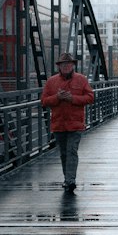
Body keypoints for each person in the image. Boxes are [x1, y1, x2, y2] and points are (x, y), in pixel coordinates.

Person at [41, 51, 95, 192]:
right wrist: (57, 97)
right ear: (59, 66)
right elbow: (44, 101)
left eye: (68, 64)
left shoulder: (81, 79)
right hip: (59, 124)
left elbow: (90, 97)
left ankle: (70, 180)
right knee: (64, 153)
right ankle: (68, 178)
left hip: (75, 123)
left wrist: (73, 99)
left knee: (71, 151)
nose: (65, 66)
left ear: (73, 65)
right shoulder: (51, 81)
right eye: (63, 64)